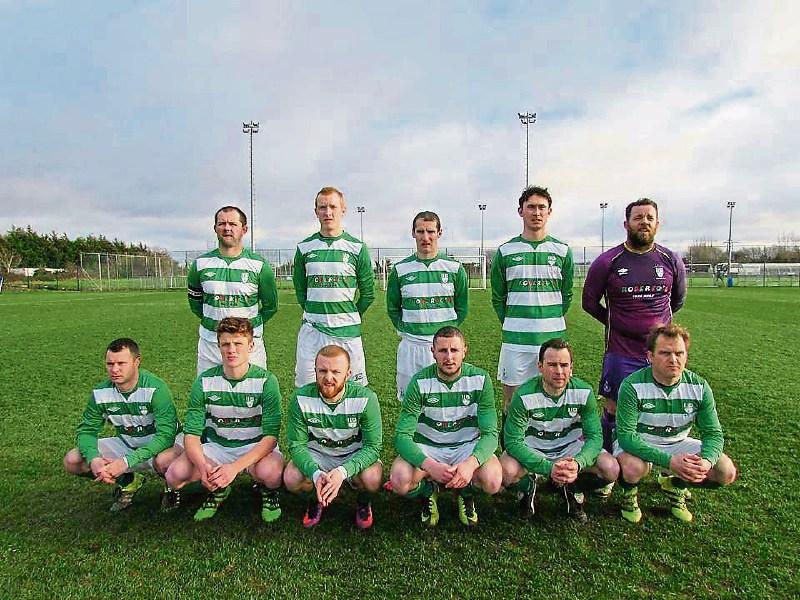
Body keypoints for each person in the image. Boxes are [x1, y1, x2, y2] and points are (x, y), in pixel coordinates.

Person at [582, 198, 687, 452]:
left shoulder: (670, 260)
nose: (644, 222)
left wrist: (656, 331)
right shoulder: (608, 261)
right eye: (638, 218)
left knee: (663, 407)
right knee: (614, 408)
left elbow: (677, 300)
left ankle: (664, 469)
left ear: (658, 224)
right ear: (626, 223)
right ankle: (605, 466)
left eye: (649, 218)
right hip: (621, 351)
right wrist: (617, 322)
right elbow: (589, 302)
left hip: (662, 352)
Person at [165, 317, 284, 523]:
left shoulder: (267, 381)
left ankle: (268, 492)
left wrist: (234, 468)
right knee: (175, 474)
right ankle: (219, 488)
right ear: (218, 346)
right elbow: (191, 435)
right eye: (226, 344)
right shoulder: (204, 381)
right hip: (217, 448)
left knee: (271, 472)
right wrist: (204, 468)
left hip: (254, 447)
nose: (232, 350)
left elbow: (271, 438)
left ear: (251, 345)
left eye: (238, 343)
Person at [614, 324, 737, 523]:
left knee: (725, 472)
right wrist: (670, 462)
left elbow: (713, 434)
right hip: (641, 443)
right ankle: (629, 494)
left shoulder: (699, 386)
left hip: (677, 442)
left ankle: (675, 484)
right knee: (632, 467)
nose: (673, 359)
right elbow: (627, 437)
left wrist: (705, 463)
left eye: (679, 353)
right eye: (665, 353)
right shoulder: (632, 385)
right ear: (650, 356)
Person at [390, 326, 501, 527]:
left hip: (465, 446)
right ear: (432, 352)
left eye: (454, 350)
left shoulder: (481, 379)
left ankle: (465, 493)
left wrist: (470, 464)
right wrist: (430, 466)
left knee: (493, 480)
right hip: (429, 447)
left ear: (464, 350)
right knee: (399, 480)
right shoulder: (419, 382)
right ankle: (428, 490)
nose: (448, 357)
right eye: (442, 351)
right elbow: (402, 436)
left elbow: (491, 434)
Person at [500, 338, 619, 522]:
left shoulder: (583, 392)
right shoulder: (523, 395)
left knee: (610, 469)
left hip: (570, 449)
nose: (559, 371)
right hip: (535, 449)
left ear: (571, 367)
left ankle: (572, 487)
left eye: (564, 365)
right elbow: (513, 442)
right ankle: (528, 488)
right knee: (506, 471)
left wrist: (577, 464)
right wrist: (549, 468)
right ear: (540, 366)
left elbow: (594, 437)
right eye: (552, 365)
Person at [63, 338, 183, 512]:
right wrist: (94, 459)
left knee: (164, 461)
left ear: (137, 361)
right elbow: (87, 431)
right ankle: (129, 481)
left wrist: (126, 462)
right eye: (110, 364)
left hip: (164, 446)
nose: (115, 369)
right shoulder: (100, 393)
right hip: (128, 444)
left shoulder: (155, 389)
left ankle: (171, 487)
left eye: (121, 363)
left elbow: (166, 436)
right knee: (73, 460)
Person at [491, 186, 574, 416]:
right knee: (513, 402)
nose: (536, 212)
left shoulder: (562, 251)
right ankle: (511, 450)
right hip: (515, 340)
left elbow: (565, 296)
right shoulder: (506, 251)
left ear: (549, 212)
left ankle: (548, 447)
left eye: (541, 207)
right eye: (531, 207)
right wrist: (513, 322)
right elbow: (498, 297)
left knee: (553, 398)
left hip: (552, 339)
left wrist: (549, 319)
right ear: (521, 211)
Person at [283, 345, 383, 530]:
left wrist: (342, 472)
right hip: (318, 455)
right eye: (323, 371)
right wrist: (315, 473)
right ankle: (315, 499)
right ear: (315, 371)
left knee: (372, 477)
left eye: (336, 371)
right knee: (291, 477)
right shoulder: (300, 398)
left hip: (353, 453)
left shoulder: (366, 398)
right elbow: (297, 445)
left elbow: (373, 447)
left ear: (348, 373)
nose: (329, 378)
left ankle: (363, 502)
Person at [293, 187, 375, 387]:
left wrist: (350, 314)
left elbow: (368, 293)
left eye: (332, 207)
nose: (328, 212)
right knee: (307, 387)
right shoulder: (304, 248)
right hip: (312, 332)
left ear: (343, 209)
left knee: (353, 389)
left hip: (347, 332)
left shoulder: (357, 248)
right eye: (322, 207)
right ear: (316, 211)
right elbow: (301, 291)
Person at [386, 211, 468, 400]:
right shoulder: (400, 270)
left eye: (430, 231)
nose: (425, 237)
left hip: (443, 347)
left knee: (445, 400)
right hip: (411, 346)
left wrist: (445, 334)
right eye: (420, 231)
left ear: (439, 233)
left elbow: (462, 308)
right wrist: (406, 328)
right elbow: (393, 308)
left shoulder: (454, 269)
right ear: (413, 233)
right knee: (410, 402)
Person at [187, 205, 278, 375]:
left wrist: (247, 327)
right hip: (211, 344)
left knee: (255, 394)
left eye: (232, 224)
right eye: (221, 223)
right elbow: (195, 304)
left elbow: (271, 306)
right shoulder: (200, 265)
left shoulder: (259, 265)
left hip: (249, 346)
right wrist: (217, 324)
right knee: (210, 395)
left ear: (244, 229)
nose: (227, 228)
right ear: (215, 228)